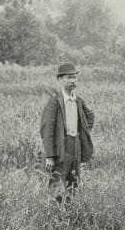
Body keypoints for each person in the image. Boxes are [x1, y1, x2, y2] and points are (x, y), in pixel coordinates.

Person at [40, 62, 95, 200]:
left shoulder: (78, 101)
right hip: (61, 148)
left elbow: (90, 118)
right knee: (56, 185)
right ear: (60, 79)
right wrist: (49, 156)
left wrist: (83, 135)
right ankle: (55, 211)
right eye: (69, 77)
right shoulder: (54, 102)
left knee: (74, 183)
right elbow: (47, 131)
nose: (72, 81)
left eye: (74, 77)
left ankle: (71, 210)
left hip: (76, 145)